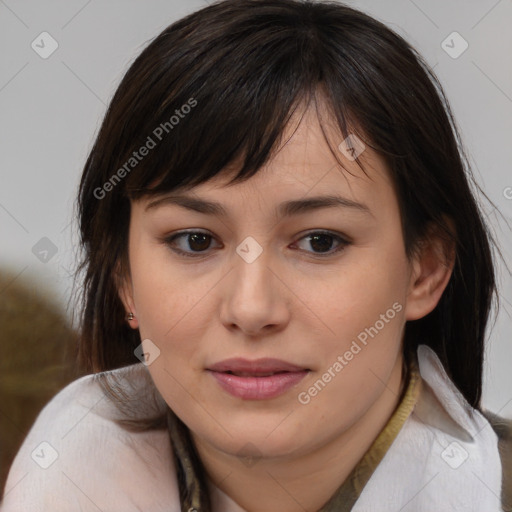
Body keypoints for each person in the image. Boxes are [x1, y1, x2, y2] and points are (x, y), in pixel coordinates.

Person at [1, 0, 510, 510]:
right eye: (195, 240)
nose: (250, 309)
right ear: (124, 280)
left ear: (425, 270)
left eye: (320, 241)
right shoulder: (55, 481)